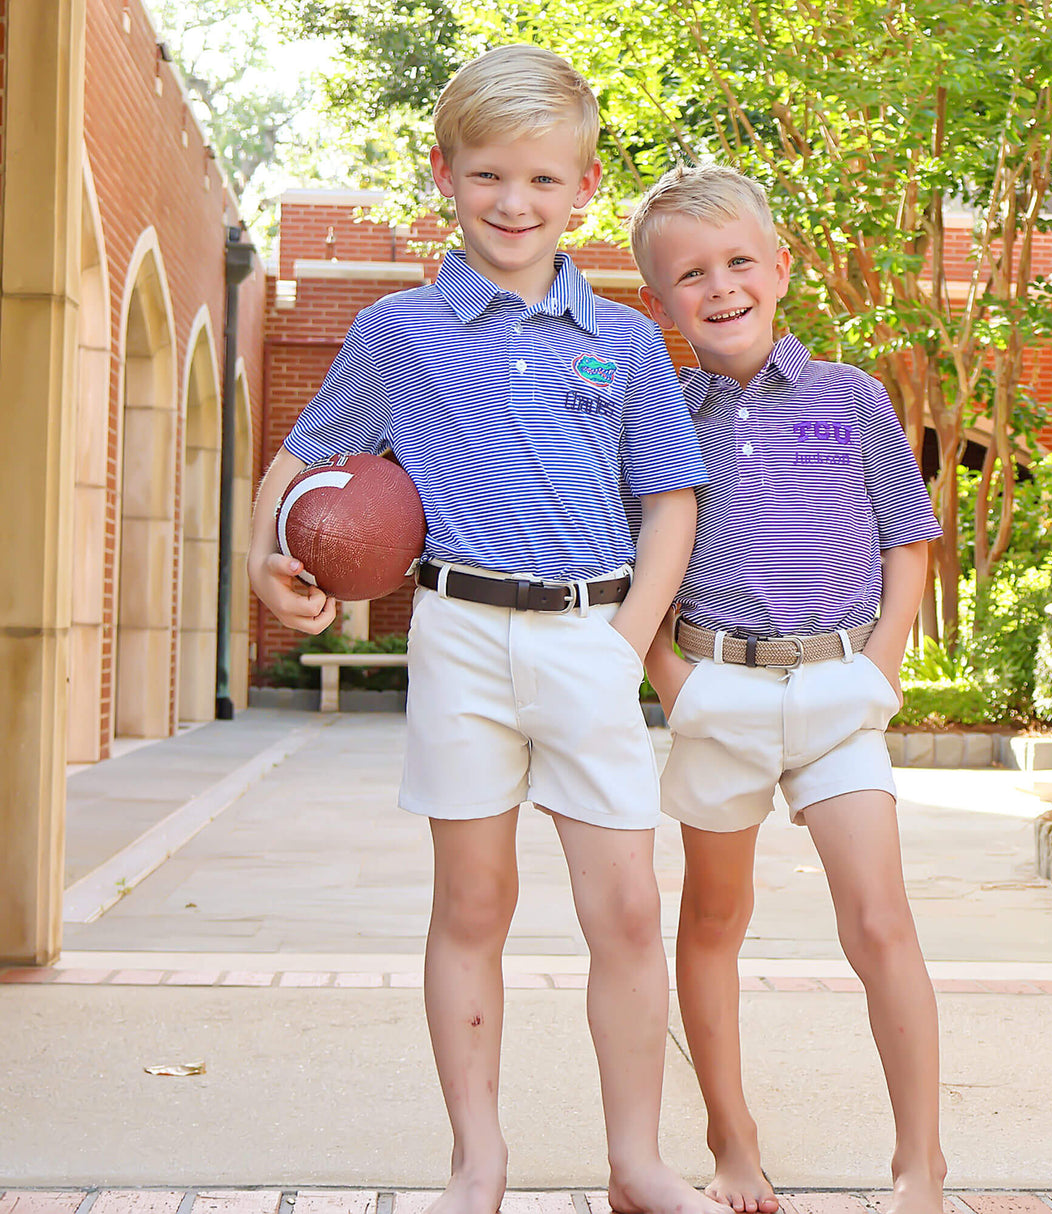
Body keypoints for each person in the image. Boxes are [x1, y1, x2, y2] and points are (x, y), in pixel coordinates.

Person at [248, 47, 724, 1214]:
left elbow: (671, 501)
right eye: (487, 176)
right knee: (471, 904)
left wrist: (624, 643)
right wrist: (268, 557)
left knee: (624, 907)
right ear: (442, 174)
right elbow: (300, 458)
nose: (514, 204)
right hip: (459, 636)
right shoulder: (396, 332)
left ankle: (635, 1159)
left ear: (584, 187)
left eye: (542, 180)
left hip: (586, 636)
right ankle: (477, 1158)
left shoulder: (621, 340)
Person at [630, 164, 948, 1214]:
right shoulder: (662, 416)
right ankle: (731, 1140)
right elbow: (632, 563)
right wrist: (670, 680)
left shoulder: (848, 397)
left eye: (735, 263)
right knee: (713, 920)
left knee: (878, 921)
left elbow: (909, 538)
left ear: (777, 268)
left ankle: (918, 1160)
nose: (717, 287)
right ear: (657, 300)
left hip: (836, 695)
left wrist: (881, 664)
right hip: (714, 692)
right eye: (689, 275)